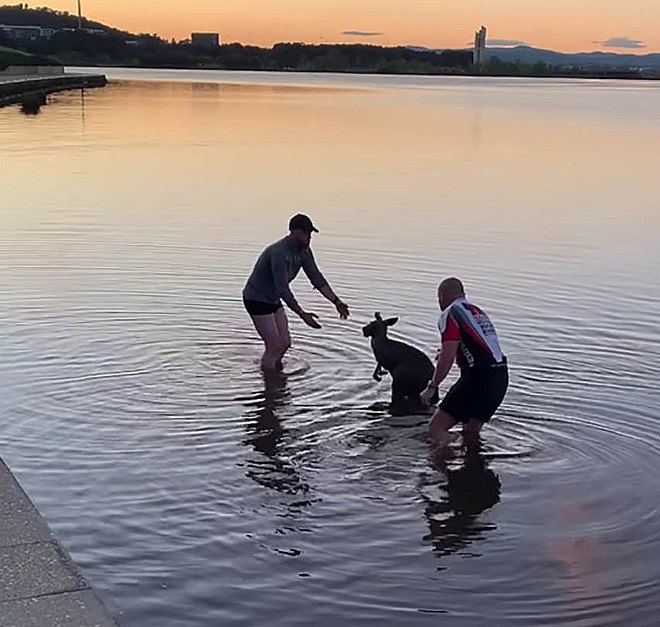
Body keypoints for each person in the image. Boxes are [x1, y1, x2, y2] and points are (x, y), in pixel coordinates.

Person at [242, 213, 350, 370]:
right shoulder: (278, 253)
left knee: (285, 343)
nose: (309, 238)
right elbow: (282, 288)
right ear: (295, 232)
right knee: (274, 345)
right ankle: (270, 383)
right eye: (307, 233)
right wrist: (302, 313)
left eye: (310, 234)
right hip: (256, 299)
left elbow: (316, 278)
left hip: (273, 299)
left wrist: (336, 301)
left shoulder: (304, 251)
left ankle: (274, 373)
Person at [420, 277, 508, 448]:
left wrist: (433, 387)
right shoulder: (476, 311)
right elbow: (480, 344)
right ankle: (471, 468)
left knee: (436, 429)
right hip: (500, 377)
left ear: (442, 296)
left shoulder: (450, 312)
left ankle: (439, 472)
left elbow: (449, 356)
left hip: (478, 377)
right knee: (470, 432)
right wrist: (447, 351)